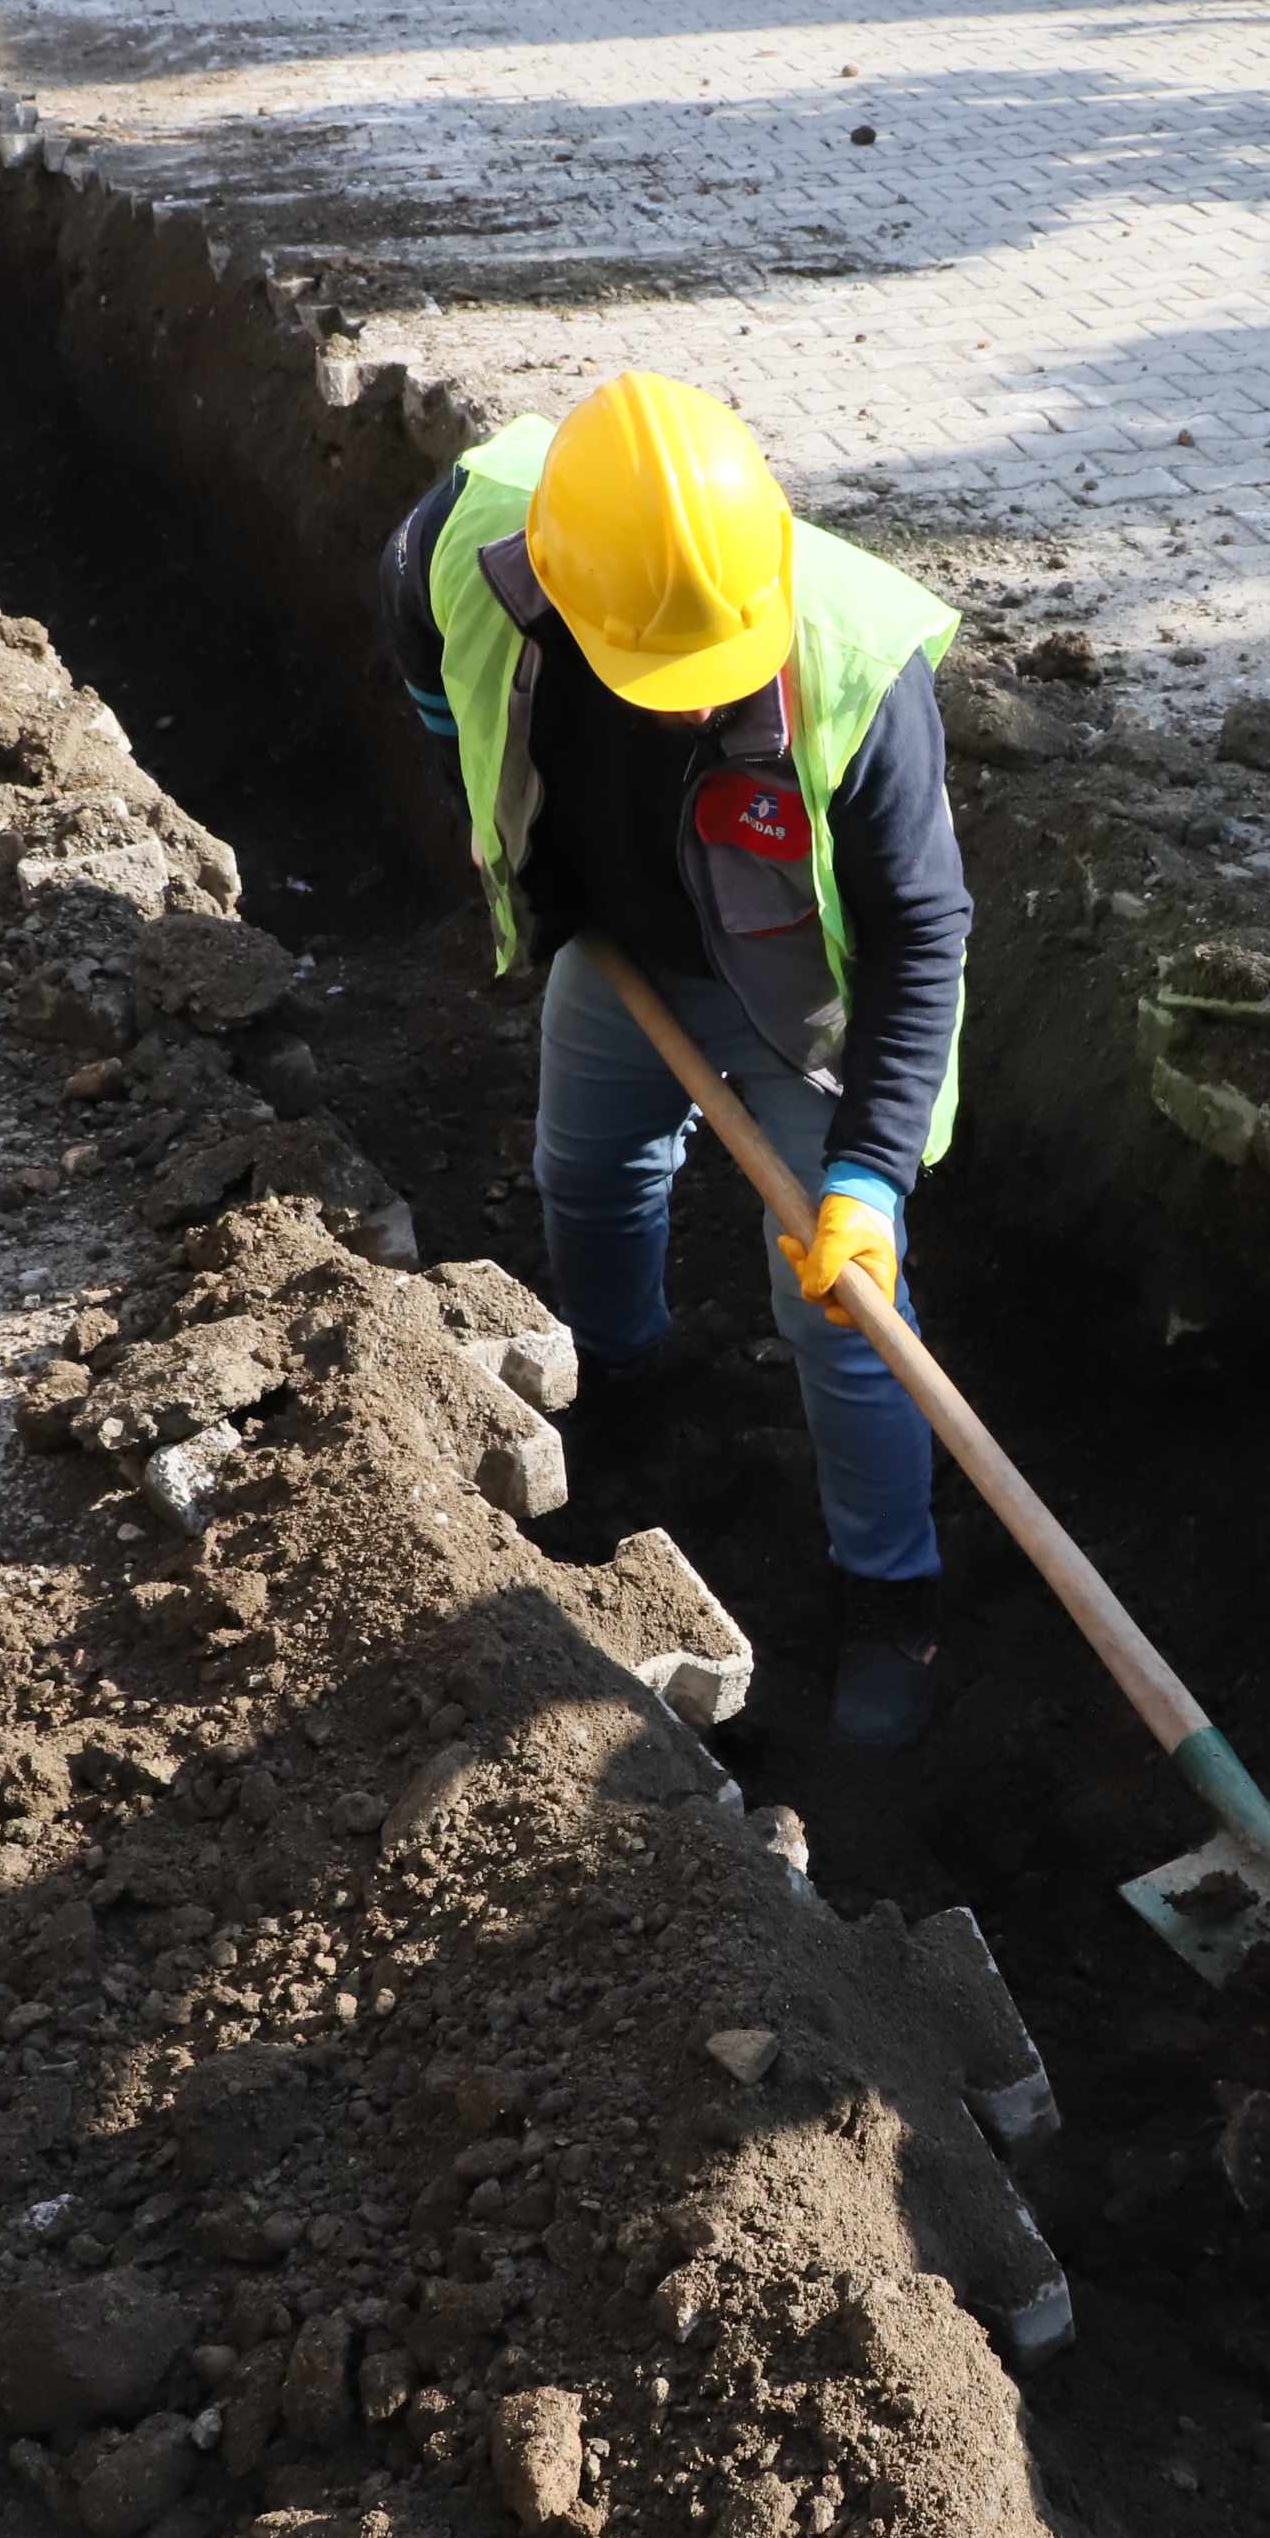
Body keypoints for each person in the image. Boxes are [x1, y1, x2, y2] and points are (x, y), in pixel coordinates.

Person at [380, 373, 971, 1746]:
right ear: (567, 600)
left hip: (801, 1009)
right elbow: (415, 626)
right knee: (582, 1170)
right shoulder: (472, 553)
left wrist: (871, 1176)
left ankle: (896, 1593)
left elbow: (922, 932)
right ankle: (625, 1380)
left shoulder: (854, 662)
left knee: (842, 1308)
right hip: (628, 954)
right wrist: (480, 796)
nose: (688, 710)